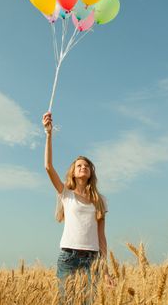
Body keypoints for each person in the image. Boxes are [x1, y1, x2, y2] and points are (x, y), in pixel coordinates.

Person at [42, 111, 113, 304]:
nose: (83, 167)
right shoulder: (66, 194)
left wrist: (105, 270)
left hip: (92, 259)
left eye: (87, 166)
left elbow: (102, 237)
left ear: (91, 173)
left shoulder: (100, 200)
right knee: (66, 301)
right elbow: (48, 167)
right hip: (68, 257)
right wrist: (49, 134)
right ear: (73, 172)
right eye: (79, 165)